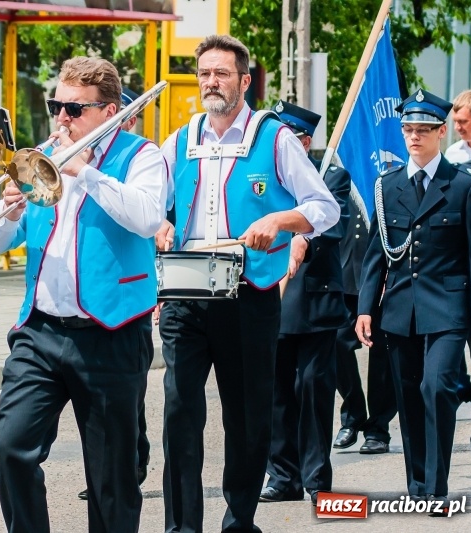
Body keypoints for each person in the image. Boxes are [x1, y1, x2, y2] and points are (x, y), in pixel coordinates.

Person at [154, 35, 339, 532]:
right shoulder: (180, 138)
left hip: (248, 297)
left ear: (244, 80)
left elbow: (325, 207)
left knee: (246, 417)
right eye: (204, 74)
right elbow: (150, 201)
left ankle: (239, 521)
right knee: (179, 413)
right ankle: (182, 526)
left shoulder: (273, 137)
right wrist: (158, 224)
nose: (211, 82)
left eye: (221, 73)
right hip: (186, 295)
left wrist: (279, 220)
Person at [0, 56, 167, 533]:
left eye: (73, 109)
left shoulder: (141, 156)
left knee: (112, 479)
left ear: (109, 111)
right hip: (40, 331)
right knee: (10, 447)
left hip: (111, 330)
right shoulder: (39, 154)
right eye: (55, 105)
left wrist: (84, 172)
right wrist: (6, 209)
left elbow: (147, 218)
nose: (61, 118)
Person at [356, 89, 471, 501]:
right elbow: (377, 254)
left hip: (448, 307)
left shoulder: (463, 186)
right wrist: (365, 309)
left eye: (423, 130)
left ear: (441, 133)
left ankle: (437, 485)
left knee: (436, 387)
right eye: (408, 129)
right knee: (408, 395)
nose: (413, 137)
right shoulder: (387, 186)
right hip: (401, 308)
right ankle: (418, 485)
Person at [259, 101, 350, 507]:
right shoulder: (262, 173)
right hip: (272, 295)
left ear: (305, 141)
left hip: (314, 301)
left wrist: (304, 236)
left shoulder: (332, 174)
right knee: (277, 392)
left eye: (289, 139)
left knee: (314, 390)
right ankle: (282, 475)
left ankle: (317, 479)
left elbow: (334, 224)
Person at [75, 87, 151, 503]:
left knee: (128, 400)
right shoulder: (67, 154)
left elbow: (150, 213)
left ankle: (129, 463)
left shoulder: (141, 155)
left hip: (124, 306)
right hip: (71, 310)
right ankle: (114, 467)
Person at [333, 189, 397, 455]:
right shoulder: (337, 171)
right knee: (336, 343)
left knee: (383, 355)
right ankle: (354, 412)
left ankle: (378, 428)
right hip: (346, 276)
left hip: (384, 279)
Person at [443, 89, 471, 430]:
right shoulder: (452, 155)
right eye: (454, 122)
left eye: (464, 122)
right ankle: (464, 389)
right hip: (456, 257)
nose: (457, 128)